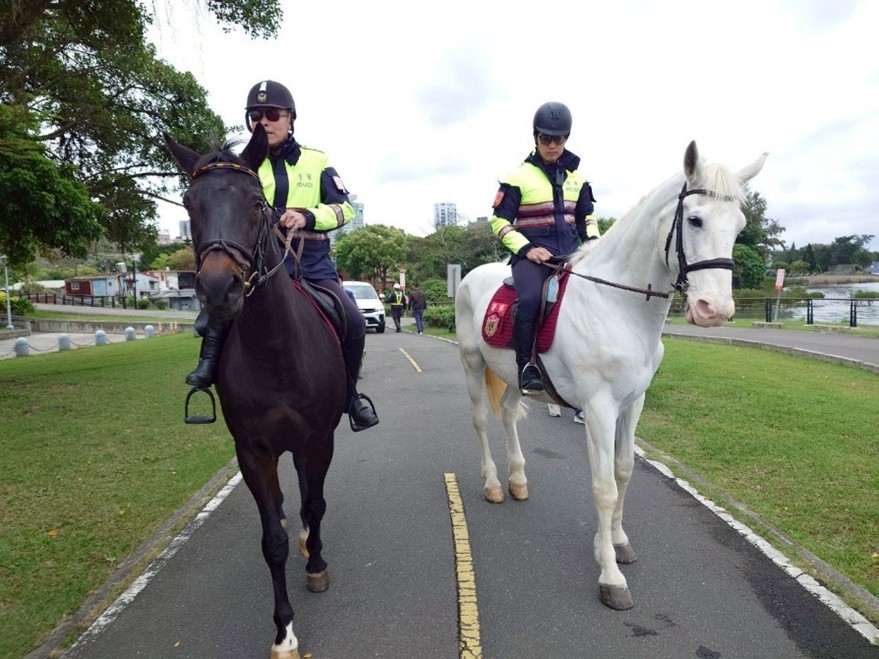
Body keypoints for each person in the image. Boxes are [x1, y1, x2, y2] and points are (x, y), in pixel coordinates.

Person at [185, 79, 379, 432]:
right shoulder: (241, 166)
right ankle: (208, 369)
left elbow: (344, 209)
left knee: (353, 318)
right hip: (258, 268)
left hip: (312, 265)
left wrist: (307, 216)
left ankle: (350, 395)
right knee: (216, 314)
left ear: (290, 118)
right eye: (255, 115)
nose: (263, 121)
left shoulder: (317, 161)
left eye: (272, 114)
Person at [490, 101, 600, 395]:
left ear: (566, 138)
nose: (552, 145)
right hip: (533, 259)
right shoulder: (517, 177)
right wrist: (527, 249)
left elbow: (587, 218)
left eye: (558, 139)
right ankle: (527, 366)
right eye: (546, 139)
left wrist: (593, 243)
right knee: (529, 300)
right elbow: (499, 222)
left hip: (571, 256)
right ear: (535, 137)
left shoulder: (578, 178)